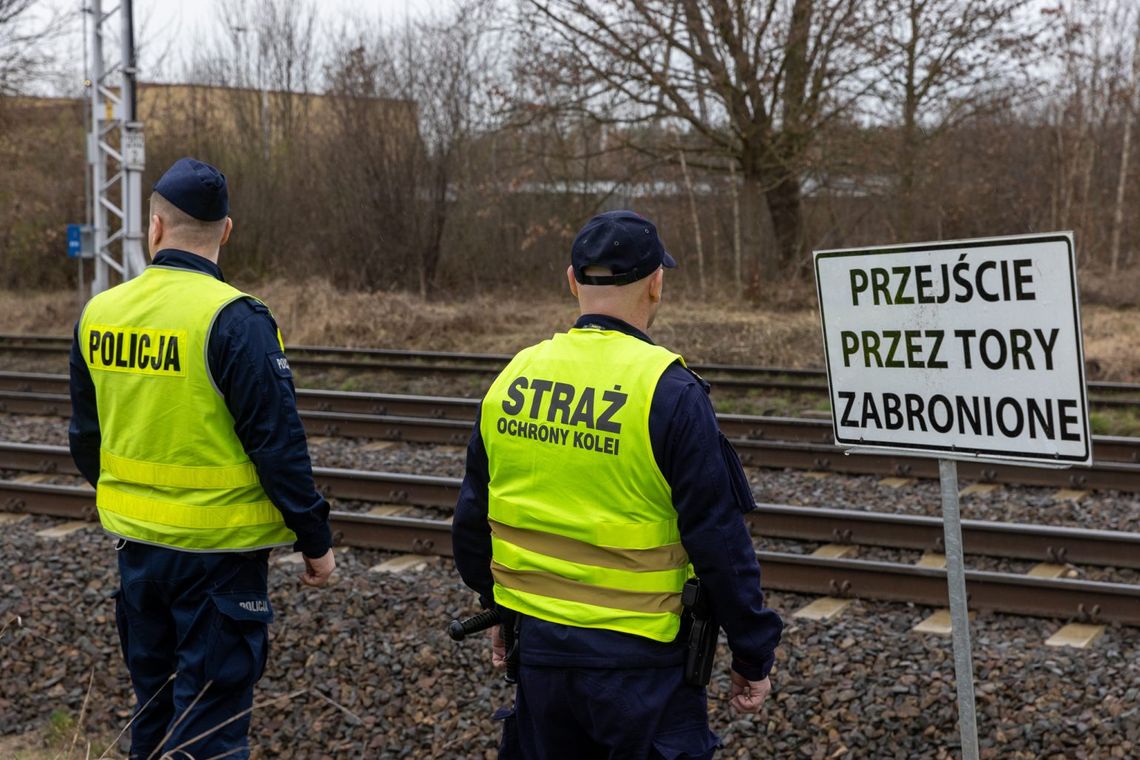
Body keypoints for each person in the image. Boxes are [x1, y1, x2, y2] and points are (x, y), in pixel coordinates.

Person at [452, 210, 784, 759]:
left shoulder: (514, 377)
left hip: (540, 656)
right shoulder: (669, 392)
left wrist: (497, 606)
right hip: (641, 673)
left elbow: (471, 524)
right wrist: (752, 653)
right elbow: (719, 542)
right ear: (657, 283)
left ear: (572, 280)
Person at [68, 157, 335, 760]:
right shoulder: (234, 319)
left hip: (137, 552)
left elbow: (86, 439)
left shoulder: (100, 314)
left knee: (154, 707)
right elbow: (279, 446)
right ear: (227, 231)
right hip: (221, 561)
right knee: (209, 721)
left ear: (154, 229)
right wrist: (313, 539)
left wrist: (136, 501)